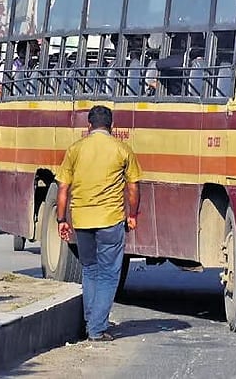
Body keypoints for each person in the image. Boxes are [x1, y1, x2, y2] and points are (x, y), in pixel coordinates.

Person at [55, 106, 142, 342]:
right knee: (108, 274)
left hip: (82, 221)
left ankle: (90, 322)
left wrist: (62, 219)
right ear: (111, 126)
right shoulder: (122, 149)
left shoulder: (75, 149)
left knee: (90, 270)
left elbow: (63, 188)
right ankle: (96, 327)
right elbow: (133, 187)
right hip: (111, 220)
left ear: (89, 126)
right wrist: (132, 214)